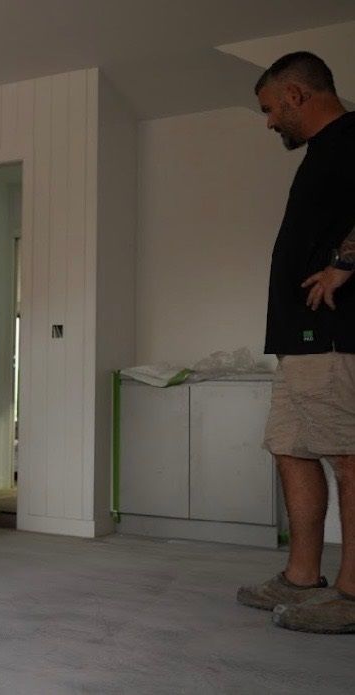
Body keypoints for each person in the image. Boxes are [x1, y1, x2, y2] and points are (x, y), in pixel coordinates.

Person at [235, 51, 355, 634]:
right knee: (290, 446)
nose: (268, 122)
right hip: (299, 341)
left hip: (333, 333)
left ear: (297, 96)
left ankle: (354, 595)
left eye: (269, 109)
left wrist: (344, 264)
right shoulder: (323, 154)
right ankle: (302, 576)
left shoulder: (352, 135)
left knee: (349, 455)